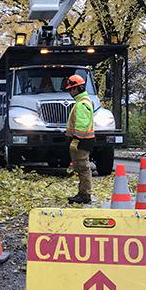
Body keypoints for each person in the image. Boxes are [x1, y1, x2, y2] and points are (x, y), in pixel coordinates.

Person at [64, 75, 95, 204]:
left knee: (83, 168)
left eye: (71, 89)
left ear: (78, 88)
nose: (70, 92)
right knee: (81, 168)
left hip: (82, 141)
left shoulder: (82, 104)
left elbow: (82, 124)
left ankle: (85, 195)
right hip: (82, 140)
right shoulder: (81, 103)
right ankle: (82, 193)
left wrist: (76, 140)